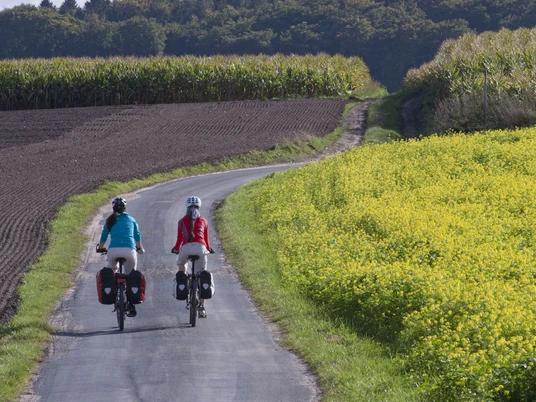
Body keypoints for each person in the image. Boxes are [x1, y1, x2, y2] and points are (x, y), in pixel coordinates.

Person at [98, 197, 144, 317]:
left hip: (113, 251)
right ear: (125, 208)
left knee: (112, 272)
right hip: (130, 251)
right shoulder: (131, 219)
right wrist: (139, 247)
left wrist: (100, 247)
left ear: (113, 208)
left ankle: (113, 294)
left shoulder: (110, 220)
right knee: (131, 275)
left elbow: (104, 235)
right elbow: (137, 235)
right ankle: (131, 304)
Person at [171, 196, 215, 318]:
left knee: (181, 264)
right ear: (199, 207)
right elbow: (206, 241)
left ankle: (183, 280)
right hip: (201, 249)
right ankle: (202, 308)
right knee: (202, 274)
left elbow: (179, 240)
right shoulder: (204, 221)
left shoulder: (181, 221)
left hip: (186, 249)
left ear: (187, 207)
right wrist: (209, 249)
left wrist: (175, 249)